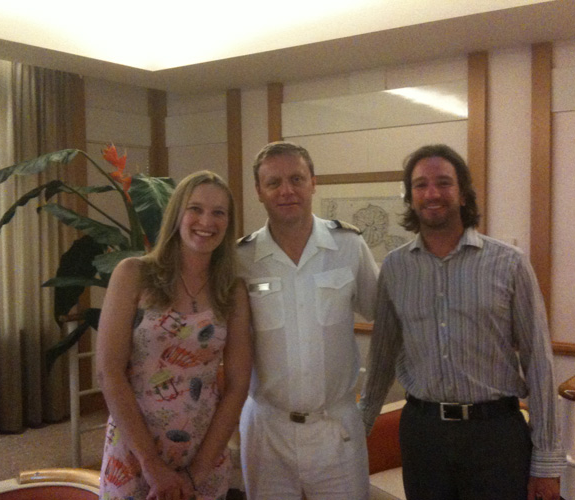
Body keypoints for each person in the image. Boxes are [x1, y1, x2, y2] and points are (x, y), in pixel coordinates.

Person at [359, 144, 565, 500]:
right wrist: (359, 427)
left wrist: (546, 462)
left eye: (443, 183)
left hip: (496, 434)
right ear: (410, 197)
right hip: (423, 434)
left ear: (464, 193)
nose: (432, 193)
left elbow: (539, 364)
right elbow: (381, 357)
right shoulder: (395, 268)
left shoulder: (509, 263)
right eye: (421, 185)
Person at [96, 170, 252, 500]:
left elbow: (238, 383)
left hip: (203, 451)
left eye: (218, 212)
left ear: (228, 223)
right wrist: (151, 464)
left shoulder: (232, 290)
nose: (206, 221)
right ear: (177, 213)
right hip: (134, 450)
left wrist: (196, 474)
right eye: (195, 208)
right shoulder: (133, 274)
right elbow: (109, 372)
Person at [236, 141, 379, 500]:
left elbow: (383, 314)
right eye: (273, 183)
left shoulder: (348, 245)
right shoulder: (242, 258)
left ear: (313, 182)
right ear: (258, 191)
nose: (286, 191)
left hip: (335, 429)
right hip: (267, 431)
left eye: (296, 178)